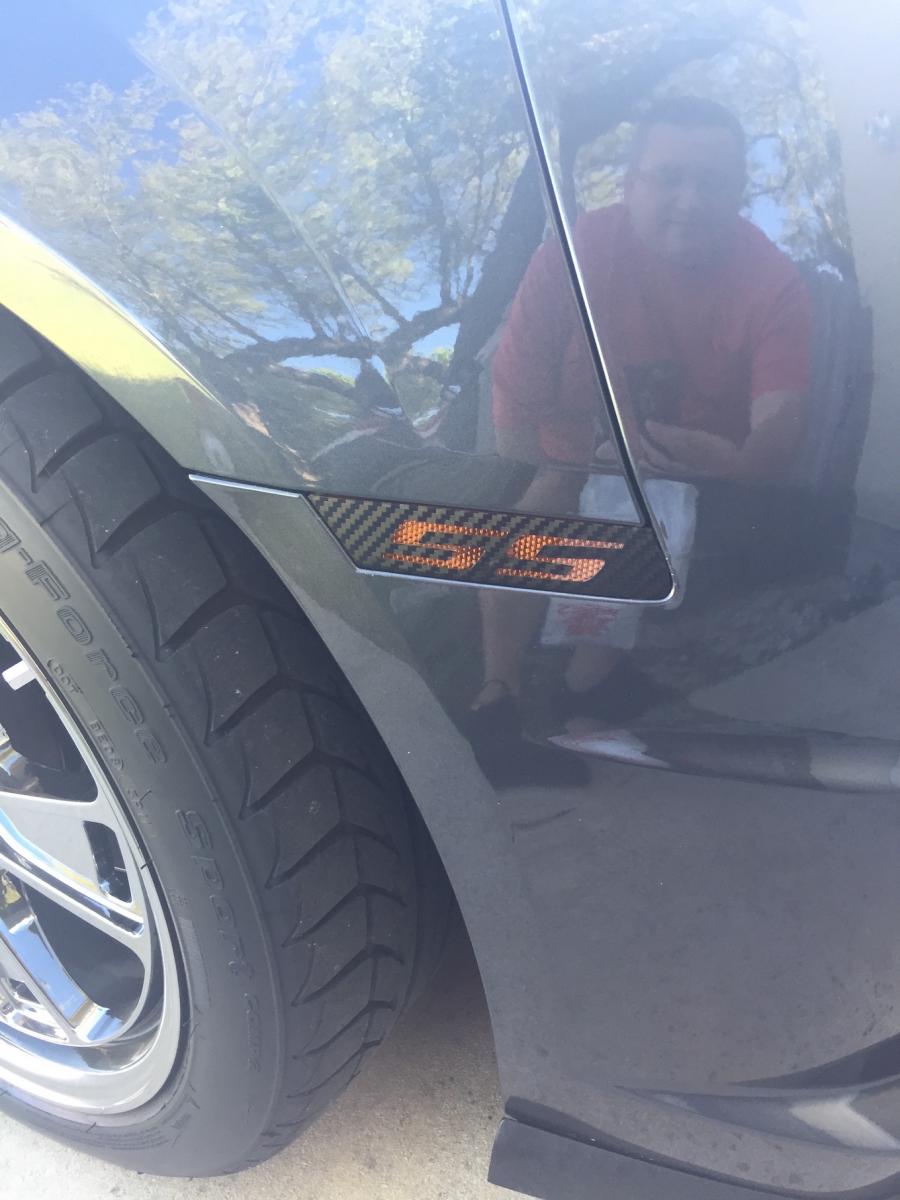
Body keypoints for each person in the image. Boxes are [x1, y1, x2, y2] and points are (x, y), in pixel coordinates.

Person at [466, 97, 812, 780]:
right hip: (569, 450)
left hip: (694, 464)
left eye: (711, 182)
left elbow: (780, 429)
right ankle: (497, 696)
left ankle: (583, 688)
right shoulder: (572, 256)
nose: (690, 200)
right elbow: (513, 419)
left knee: (659, 513)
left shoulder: (775, 282)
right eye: (669, 177)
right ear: (629, 184)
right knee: (546, 501)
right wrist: (576, 463)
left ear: (739, 192)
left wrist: (736, 461)